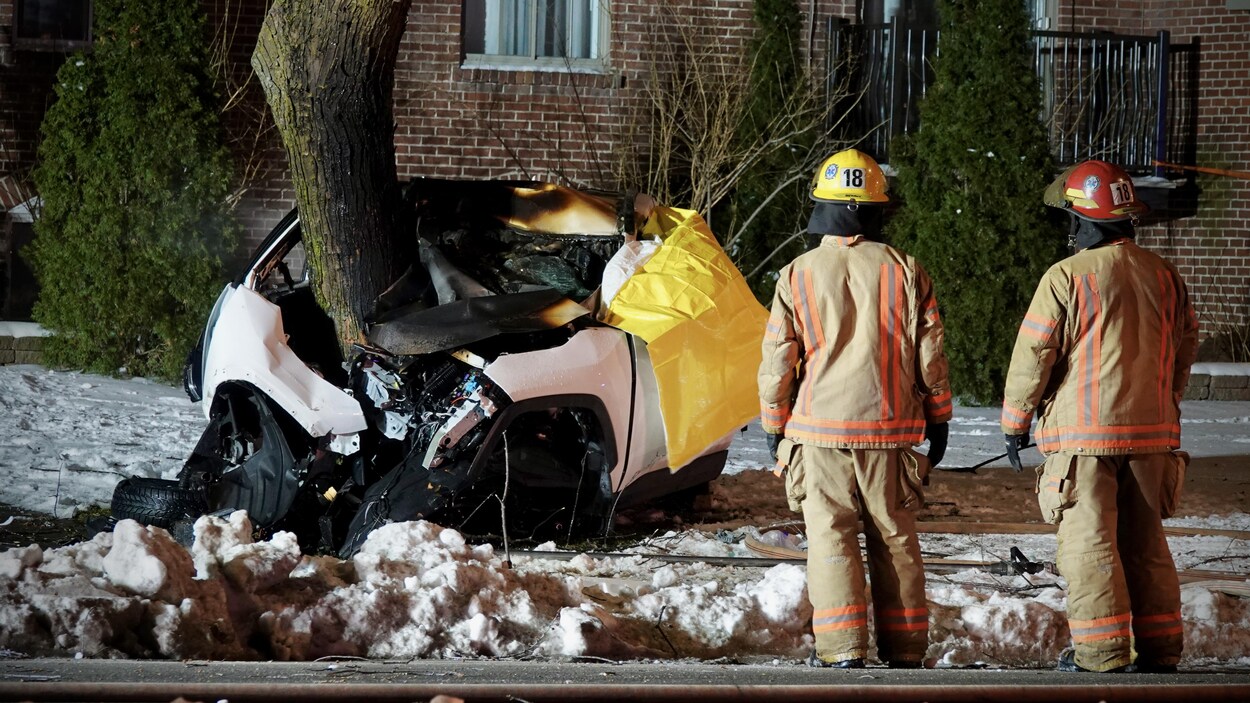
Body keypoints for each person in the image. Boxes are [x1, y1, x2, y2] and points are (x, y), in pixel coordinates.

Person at [1001, 159, 1199, 674]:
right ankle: (1160, 650)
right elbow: (1184, 348)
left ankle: (1101, 652)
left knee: (1090, 547)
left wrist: (1015, 421)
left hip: (1084, 443)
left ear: (1084, 221)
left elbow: (1034, 355)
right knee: (1146, 544)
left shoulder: (1066, 277)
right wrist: (1164, 399)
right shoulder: (1165, 275)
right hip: (1151, 437)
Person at [758, 148, 952, 669]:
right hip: (889, 437)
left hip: (818, 438)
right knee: (895, 540)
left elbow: (779, 361)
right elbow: (930, 356)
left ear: (824, 207)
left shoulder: (796, 274)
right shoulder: (906, 271)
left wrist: (775, 427)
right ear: (875, 209)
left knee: (830, 540)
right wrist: (939, 418)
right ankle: (907, 648)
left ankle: (843, 651)